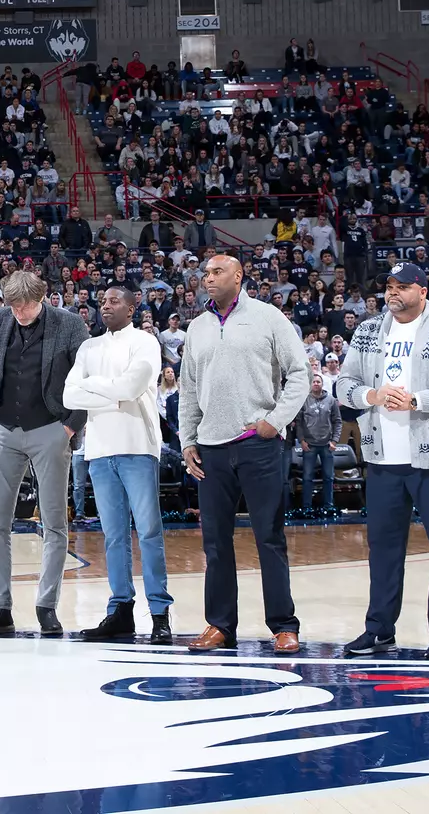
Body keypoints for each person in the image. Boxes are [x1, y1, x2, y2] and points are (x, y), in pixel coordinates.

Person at [335, 263, 429, 658]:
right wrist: (370, 396)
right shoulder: (367, 331)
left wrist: (419, 400)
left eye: (402, 286)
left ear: (422, 290)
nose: (393, 293)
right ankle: (380, 628)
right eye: (389, 286)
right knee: (382, 547)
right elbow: (343, 383)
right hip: (382, 457)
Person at [179, 253, 310, 654]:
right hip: (211, 449)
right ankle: (220, 625)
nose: (208, 279)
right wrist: (187, 440)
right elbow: (187, 390)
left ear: (239, 276)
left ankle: (284, 625)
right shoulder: (197, 327)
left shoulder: (268, 317)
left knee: (269, 538)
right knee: (215, 543)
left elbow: (300, 373)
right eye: (205, 274)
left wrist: (277, 420)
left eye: (217, 272)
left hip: (258, 443)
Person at [0, 271, 89, 636]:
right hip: (2, 432)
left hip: (50, 430)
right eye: (14, 305)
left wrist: (69, 427)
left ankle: (46, 606)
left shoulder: (70, 324)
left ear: (44, 297)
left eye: (27, 305)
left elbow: (85, 380)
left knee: (54, 523)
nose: (20, 312)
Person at [62, 286, 172, 643]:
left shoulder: (146, 342)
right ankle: (120, 610)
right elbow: (68, 394)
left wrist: (93, 386)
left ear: (132, 305)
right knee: (113, 537)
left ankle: (159, 613)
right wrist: (113, 388)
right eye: (103, 301)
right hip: (98, 449)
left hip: (138, 444)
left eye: (114, 301)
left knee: (150, 533)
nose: (105, 306)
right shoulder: (88, 346)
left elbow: (133, 386)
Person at [296, 375, 340, 517]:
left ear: (322, 384)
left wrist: (334, 440)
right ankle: (307, 507)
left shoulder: (331, 400)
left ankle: (329, 506)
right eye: (313, 382)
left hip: (327, 445)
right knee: (307, 477)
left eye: (318, 381)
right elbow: (299, 422)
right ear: (310, 384)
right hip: (309, 445)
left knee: (329, 477)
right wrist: (301, 440)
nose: (316, 383)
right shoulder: (304, 399)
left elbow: (337, 422)